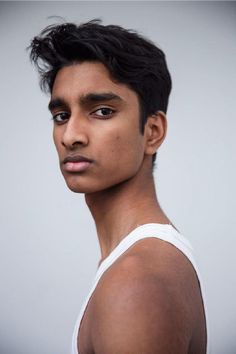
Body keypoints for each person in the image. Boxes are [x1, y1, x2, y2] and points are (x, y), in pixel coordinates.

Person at [29, 20, 208, 354]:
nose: (71, 136)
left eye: (102, 111)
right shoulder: (135, 262)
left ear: (152, 132)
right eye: (61, 115)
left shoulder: (136, 280)